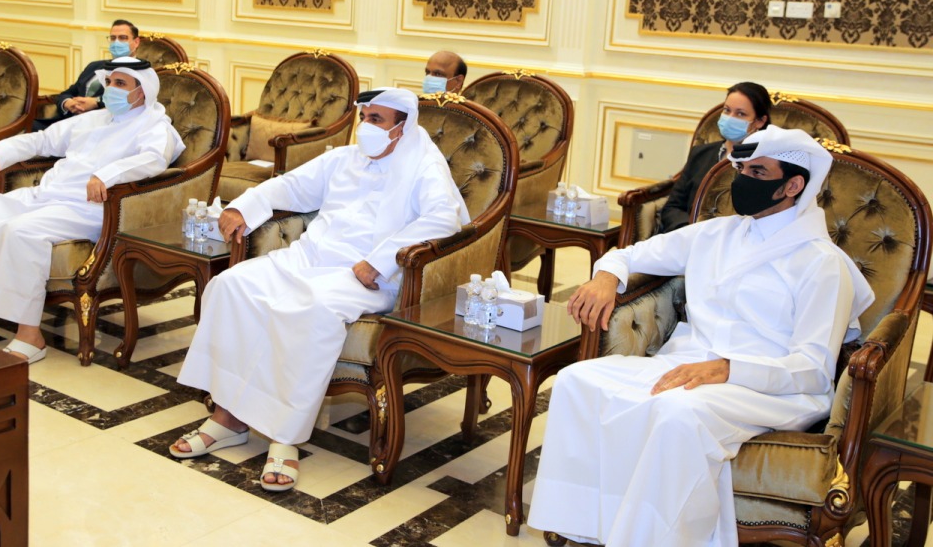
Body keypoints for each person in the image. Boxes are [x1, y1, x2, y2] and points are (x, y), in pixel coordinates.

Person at [527, 126, 875, 546]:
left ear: (793, 185)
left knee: (678, 414)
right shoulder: (717, 233)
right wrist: (605, 277)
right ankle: (587, 527)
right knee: (576, 381)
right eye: (742, 169)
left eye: (758, 172)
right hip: (689, 362)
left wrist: (729, 369)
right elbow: (632, 252)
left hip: (771, 386)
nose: (743, 180)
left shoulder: (822, 264)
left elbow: (812, 369)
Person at [171, 87, 469, 492]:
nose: (366, 126)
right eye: (365, 117)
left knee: (311, 309)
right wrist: (244, 206)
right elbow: (289, 187)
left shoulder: (424, 167)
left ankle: (285, 437)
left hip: (366, 276)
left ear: (401, 129)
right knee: (230, 286)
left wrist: (380, 261)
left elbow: (443, 220)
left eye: (377, 120)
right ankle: (228, 417)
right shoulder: (344, 158)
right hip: (308, 258)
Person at [0, 58, 183, 364]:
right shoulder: (93, 119)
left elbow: (153, 160)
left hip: (90, 207)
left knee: (21, 231)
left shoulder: (157, 127)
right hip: (49, 194)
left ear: (142, 92)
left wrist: (106, 176)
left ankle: (30, 335)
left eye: (121, 84)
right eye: (109, 83)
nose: (111, 90)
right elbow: (42, 139)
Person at [659, 82, 772, 233]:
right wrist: (688, 231)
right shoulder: (700, 153)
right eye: (727, 110)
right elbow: (673, 207)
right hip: (688, 237)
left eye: (740, 114)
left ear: (760, 121)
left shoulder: (764, 163)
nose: (730, 118)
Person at [34, 19, 140, 130]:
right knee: (30, 129)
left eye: (122, 38)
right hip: (68, 122)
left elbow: (131, 100)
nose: (116, 43)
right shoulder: (94, 66)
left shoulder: (140, 71)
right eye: (113, 38)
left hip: (99, 127)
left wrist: (96, 102)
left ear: (136, 42)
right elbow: (67, 93)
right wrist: (68, 103)